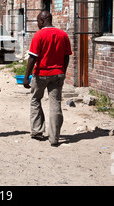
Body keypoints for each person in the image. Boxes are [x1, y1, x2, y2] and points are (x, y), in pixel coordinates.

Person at [23, 11, 72, 147]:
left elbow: (32, 57)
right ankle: (54, 137)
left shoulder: (39, 35)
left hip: (41, 74)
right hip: (58, 74)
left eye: (38, 21)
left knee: (35, 100)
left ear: (43, 20)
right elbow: (67, 56)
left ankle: (37, 131)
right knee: (55, 103)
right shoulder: (63, 35)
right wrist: (63, 70)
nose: (38, 24)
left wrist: (26, 77)